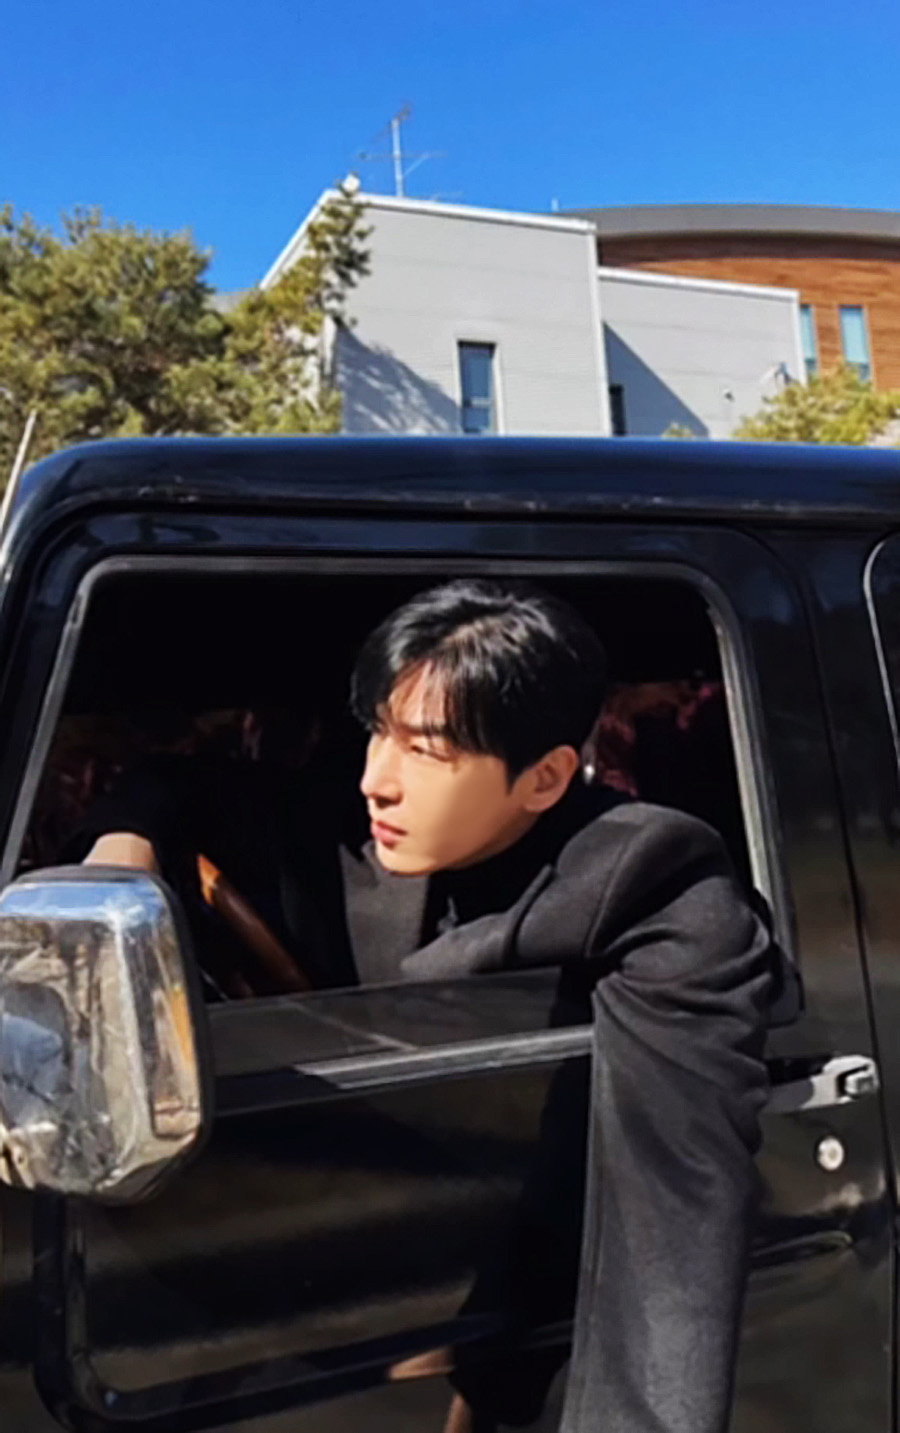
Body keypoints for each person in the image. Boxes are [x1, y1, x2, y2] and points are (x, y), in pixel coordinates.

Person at [78, 579, 778, 1433]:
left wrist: (521, 1397)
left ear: (546, 777)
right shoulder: (344, 826)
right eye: (378, 730)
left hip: (498, 1259)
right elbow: (177, 786)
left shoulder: (648, 879)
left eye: (427, 748)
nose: (377, 778)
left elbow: (672, 1198)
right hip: (329, 1251)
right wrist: (119, 859)